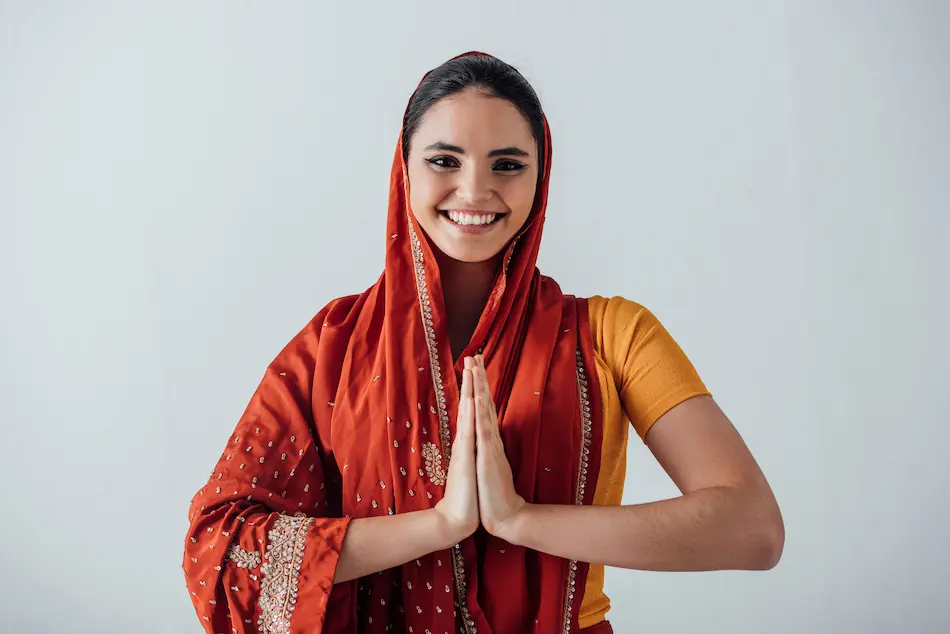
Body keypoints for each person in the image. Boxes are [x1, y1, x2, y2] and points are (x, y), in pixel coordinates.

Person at [182, 51, 784, 634]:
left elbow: (753, 528)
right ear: (404, 168)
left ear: (540, 177)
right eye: (445, 160)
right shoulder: (331, 350)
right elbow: (219, 549)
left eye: (507, 164)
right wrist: (440, 524)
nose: (474, 190)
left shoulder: (613, 336)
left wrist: (520, 520)